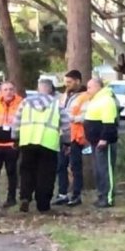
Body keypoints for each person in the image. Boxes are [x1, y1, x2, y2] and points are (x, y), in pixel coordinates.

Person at [12, 79, 70, 213]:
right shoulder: (57, 104)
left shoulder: (25, 102)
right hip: (48, 143)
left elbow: (16, 121)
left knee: (27, 171)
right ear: (50, 89)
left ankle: (25, 197)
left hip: (27, 141)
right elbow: (66, 125)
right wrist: (67, 142)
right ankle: (43, 204)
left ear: (38, 89)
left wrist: (15, 138)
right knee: (46, 174)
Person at [53, 70, 90, 207]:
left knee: (75, 166)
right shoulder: (64, 95)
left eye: (69, 82)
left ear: (78, 81)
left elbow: (87, 114)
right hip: (63, 134)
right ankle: (62, 194)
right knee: (61, 165)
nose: (66, 85)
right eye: (65, 82)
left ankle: (76, 195)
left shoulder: (85, 96)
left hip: (76, 135)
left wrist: (73, 118)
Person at [83, 77, 120, 208]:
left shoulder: (106, 100)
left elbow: (109, 122)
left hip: (104, 142)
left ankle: (108, 198)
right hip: (95, 142)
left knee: (105, 170)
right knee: (98, 170)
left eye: (90, 87)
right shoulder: (96, 100)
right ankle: (101, 195)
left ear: (98, 87)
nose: (88, 90)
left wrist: (104, 138)